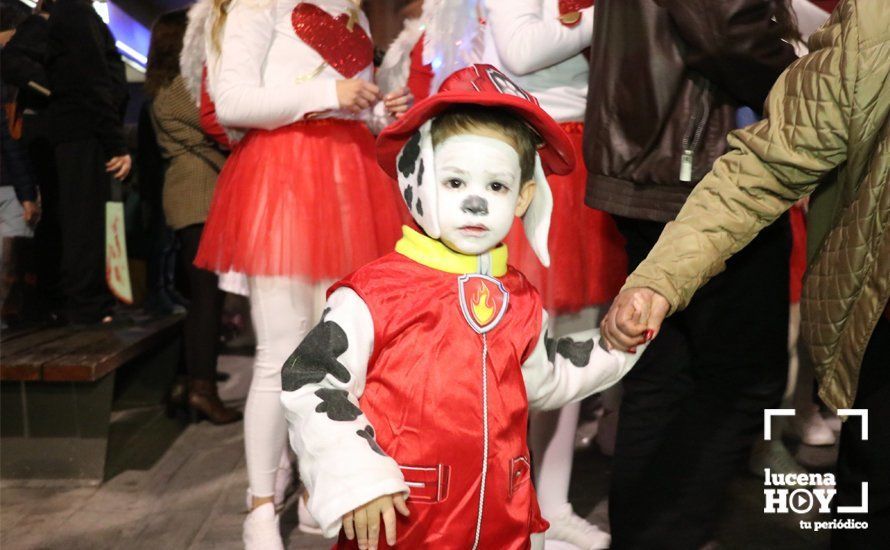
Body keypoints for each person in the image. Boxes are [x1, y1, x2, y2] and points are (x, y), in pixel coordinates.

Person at [281, 64, 643, 550]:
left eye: (496, 186)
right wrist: (358, 477)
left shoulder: (520, 298)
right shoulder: (373, 294)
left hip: (505, 525)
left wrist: (617, 344)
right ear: (418, 181)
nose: (476, 203)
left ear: (523, 197)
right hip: (405, 527)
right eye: (454, 183)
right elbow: (311, 382)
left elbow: (546, 375)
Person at [601, 1, 888, 547]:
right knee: (706, 376)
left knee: (686, 376)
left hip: (663, 162)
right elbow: (771, 146)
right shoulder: (878, 23)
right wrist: (660, 277)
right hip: (683, 166)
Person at [190, 1, 412, 547]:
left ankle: (318, 487)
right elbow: (232, 101)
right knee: (280, 354)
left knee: (338, 355)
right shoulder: (256, 5)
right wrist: (327, 96)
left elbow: (350, 107)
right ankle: (261, 503)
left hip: (351, 186)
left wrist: (380, 110)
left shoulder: (352, 14)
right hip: (284, 182)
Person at [582, 1, 799, 547]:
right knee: (739, 376)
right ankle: (674, 532)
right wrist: (810, 89)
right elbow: (729, 32)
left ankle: (648, 533)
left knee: (664, 374)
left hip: (658, 156)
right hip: (702, 170)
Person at [145, 10, 241, 425]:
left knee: (201, 297)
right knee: (207, 300)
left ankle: (187, 384)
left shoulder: (161, 88)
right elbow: (222, 124)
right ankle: (203, 389)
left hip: (187, 197)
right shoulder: (183, 88)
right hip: (199, 197)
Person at [45, 0, 131, 325]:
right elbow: (93, 80)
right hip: (85, 131)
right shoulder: (76, 12)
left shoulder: (70, 13)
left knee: (85, 219)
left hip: (80, 129)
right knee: (86, 220)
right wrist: (116, 142)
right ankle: (88, 307)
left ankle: (91, 303)